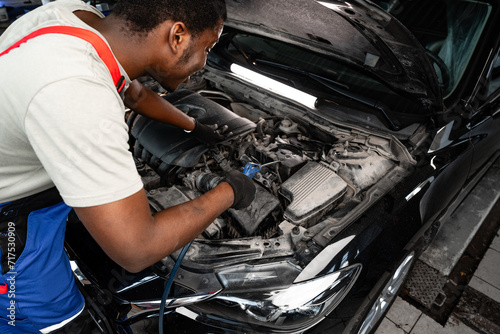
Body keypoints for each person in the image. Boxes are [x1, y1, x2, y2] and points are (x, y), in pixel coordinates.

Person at [0, 0, 255, 332]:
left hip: (22, 176)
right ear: (177, 35)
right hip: (10, 227)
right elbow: (136, 249)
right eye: (207, 46)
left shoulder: (80, 19)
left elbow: (133, 93)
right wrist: (229, 192)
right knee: (56, 322)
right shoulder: (76, 93)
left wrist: (193, 126)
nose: (205, 61)